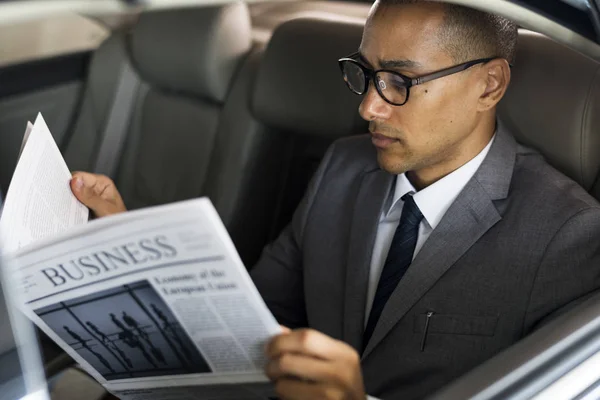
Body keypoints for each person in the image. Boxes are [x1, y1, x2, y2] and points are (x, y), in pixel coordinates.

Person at [68, 0, 600, 399]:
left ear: (490, 85)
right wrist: (132, 251)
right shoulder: (343, 168)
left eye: (400, 80)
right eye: (366, 74)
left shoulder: (568, 235)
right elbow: (256, 315)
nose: (369, 106)